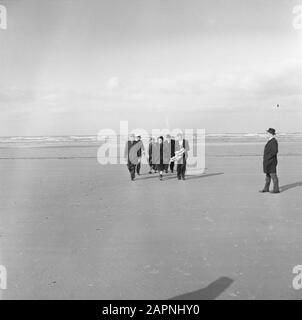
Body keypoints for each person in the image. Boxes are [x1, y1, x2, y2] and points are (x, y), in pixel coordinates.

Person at [260, 128, 280, 193]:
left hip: (271, 161)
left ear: (271, 134)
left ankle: (276, 189)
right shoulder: (270, 140)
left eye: (267, 133)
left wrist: (268, 157)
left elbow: (275, 151)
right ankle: (266, 188)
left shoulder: (274, 141)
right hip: (267, 161)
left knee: (273, 175)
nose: (266, 134)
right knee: (267, 175)